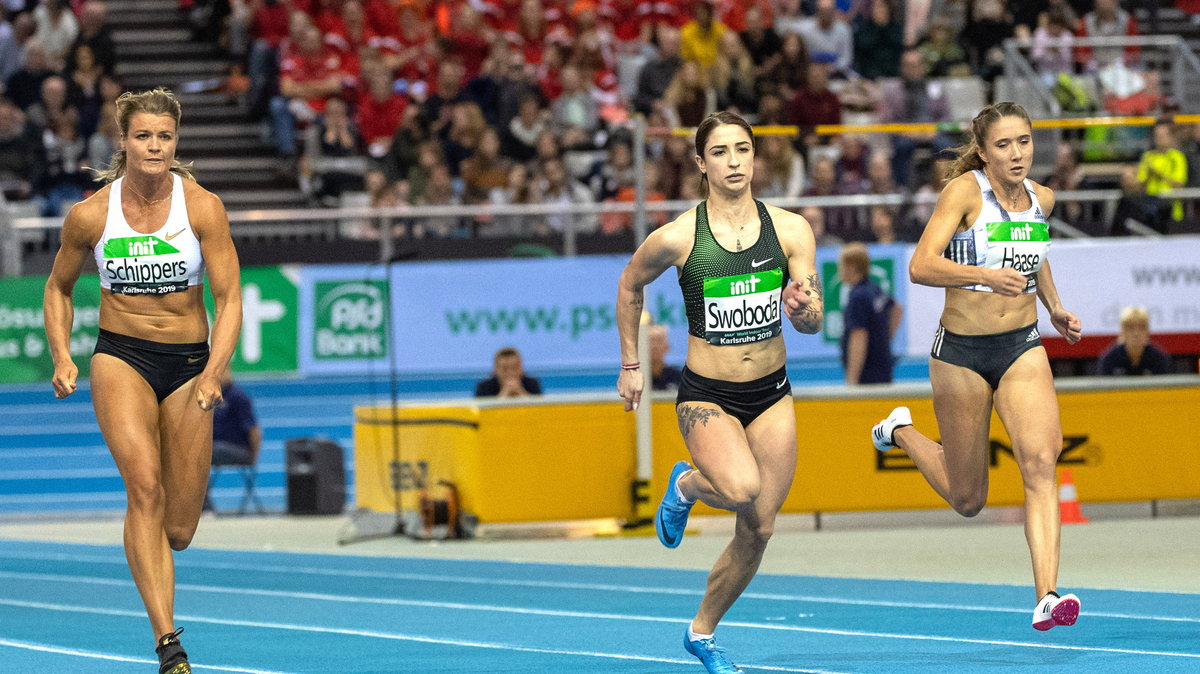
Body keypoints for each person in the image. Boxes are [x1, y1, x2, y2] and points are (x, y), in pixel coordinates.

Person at [42, 87, 242, 674]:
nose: (154, 147)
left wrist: (214, 371)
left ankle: (160, 595)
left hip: (187, 365)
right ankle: (167, 644)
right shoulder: (90, 214)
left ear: (175, 142)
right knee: (144, 489)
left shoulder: (202, 207)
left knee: (178, 529)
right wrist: (62, 355)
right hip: (120, 357)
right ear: (122, 141)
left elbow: (230, 299)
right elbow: (57, 288)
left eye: (165, 137)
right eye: (143, 136)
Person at [616, 111, 822, 673]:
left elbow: (813, 318)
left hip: (772, 392)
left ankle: (701, 633)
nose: (734, 162)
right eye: (722, 152)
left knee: (760, 528)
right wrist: (631, 363)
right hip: (708, 394)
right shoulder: (679, 237)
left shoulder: (791, 230)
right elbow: (630, 285)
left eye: (743, 150)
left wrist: (805, 311)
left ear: (756, 157)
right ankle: (685, 484)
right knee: (740, 488)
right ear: (701, 163)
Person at [870, 102, 1083, 632]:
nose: (1018, 153)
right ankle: (899, 431)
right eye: (1005, 145)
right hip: (961, 352)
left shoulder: (1043, 199)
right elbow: (920, 265)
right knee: (968, 499)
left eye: (1025, 142)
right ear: (984, 153)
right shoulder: (964, 192)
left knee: (1040, 461)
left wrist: (1053, 305)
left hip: (1022, 345)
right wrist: (985, 276)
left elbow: (1036, 252)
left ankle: (1047, 595)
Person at [838, 242, 901, 385]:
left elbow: (858, 337)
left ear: (851, 267)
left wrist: (852, 379)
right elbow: (897, 308)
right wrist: (884, 338)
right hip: (883, 365)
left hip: (867, 373)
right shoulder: (874, 289)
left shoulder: (857, 297)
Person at [1096, 306, 1172, 376]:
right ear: (1122, 331)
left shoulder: (1159, 359)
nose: (1136, 333)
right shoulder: (1109, 359)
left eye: (1141, 327)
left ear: (1148, 331)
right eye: (1130, 328)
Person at [211, 367, 262, 467]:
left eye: (222, 371)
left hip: (237, 448)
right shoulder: (212, 396)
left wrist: (253, 457)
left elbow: (254, 430)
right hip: (217, 445)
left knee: (201, 453)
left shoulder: (238, 396)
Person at [475, 347, 542, 397]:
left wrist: (521, 392)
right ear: (495, 371)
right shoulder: (484, 387)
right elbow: (483, 414)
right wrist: (503, 394)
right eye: (504, 369)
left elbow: (539, 411)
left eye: (514, 368)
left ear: (521, 369)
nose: (510, 373)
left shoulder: (533, 384)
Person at [649, 323, 683, 391]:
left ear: (667, 347)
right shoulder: (635, 378)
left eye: (659, 341)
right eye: (650, 341)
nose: (654, 346)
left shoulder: (679, 378)